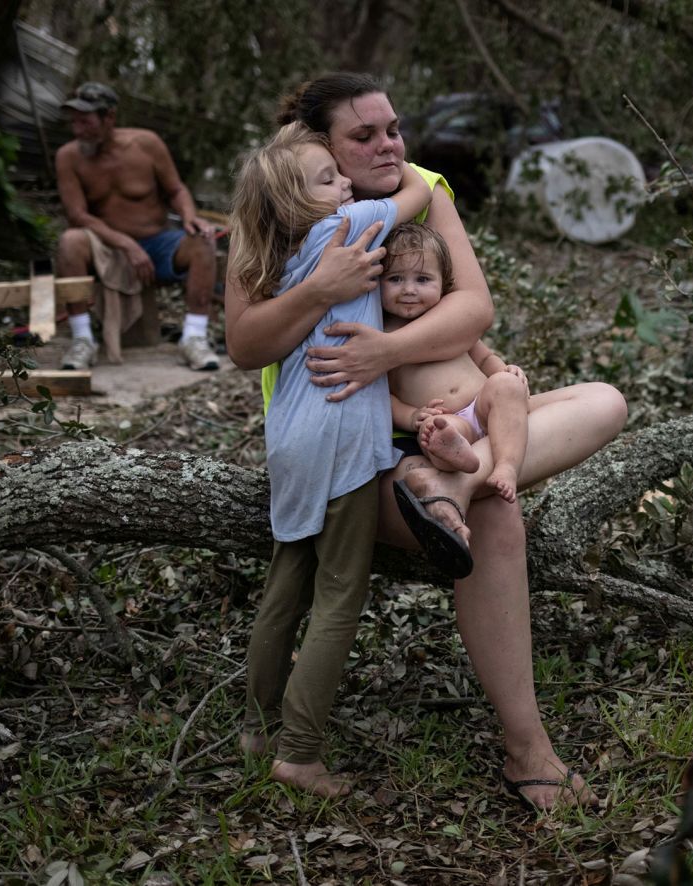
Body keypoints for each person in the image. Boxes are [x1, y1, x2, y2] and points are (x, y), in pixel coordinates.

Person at [225, 73, 628, 811]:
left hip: (458, 428)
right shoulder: (285, 210)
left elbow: (475, 306)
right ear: (320, 150)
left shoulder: (424, 189)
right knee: (499, 522)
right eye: (363, 136)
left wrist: (384, 349)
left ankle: (457, 479)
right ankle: (528, 751)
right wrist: (327, 303)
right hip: (362, 453)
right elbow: (245, 342)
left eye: (393, 128)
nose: (388, 145)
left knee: (606, 400)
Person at [232, 124, 433, 797]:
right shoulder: (349, 225)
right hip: (340, 434)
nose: (343, 183)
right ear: (300, 204)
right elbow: (412, 192)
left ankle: (258, 727)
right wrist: (404, 173)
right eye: (327, 177)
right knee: (341, 592)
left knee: (289, 576)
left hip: (289, 431)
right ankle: (300, 751)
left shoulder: (283, 258)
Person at [54, 81, 221, 372]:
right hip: (105, 248)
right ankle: (82, 340)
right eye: (74, 121)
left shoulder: (146, 145)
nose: (77, 129)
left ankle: (193, 337)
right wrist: (125, 244)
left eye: (85, 121)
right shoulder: (69, 157)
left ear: (109, 118)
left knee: (202, 241)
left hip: (156, 243)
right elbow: (77, 215)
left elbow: (176, 190)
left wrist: (189, 215)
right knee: (70, 241)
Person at [381, 222, 530, 506]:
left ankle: (507, 467)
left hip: (483, 405)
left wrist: (504, 371)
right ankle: (454, 456)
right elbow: (382, 396)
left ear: (444, 282)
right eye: (396, 279)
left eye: (423, 280)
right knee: (437, 433)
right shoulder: (382, 336)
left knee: (506, 386)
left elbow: (483, 357)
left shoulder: (447, 320)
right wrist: (412, 416)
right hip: (448, 417)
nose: (409, 289)